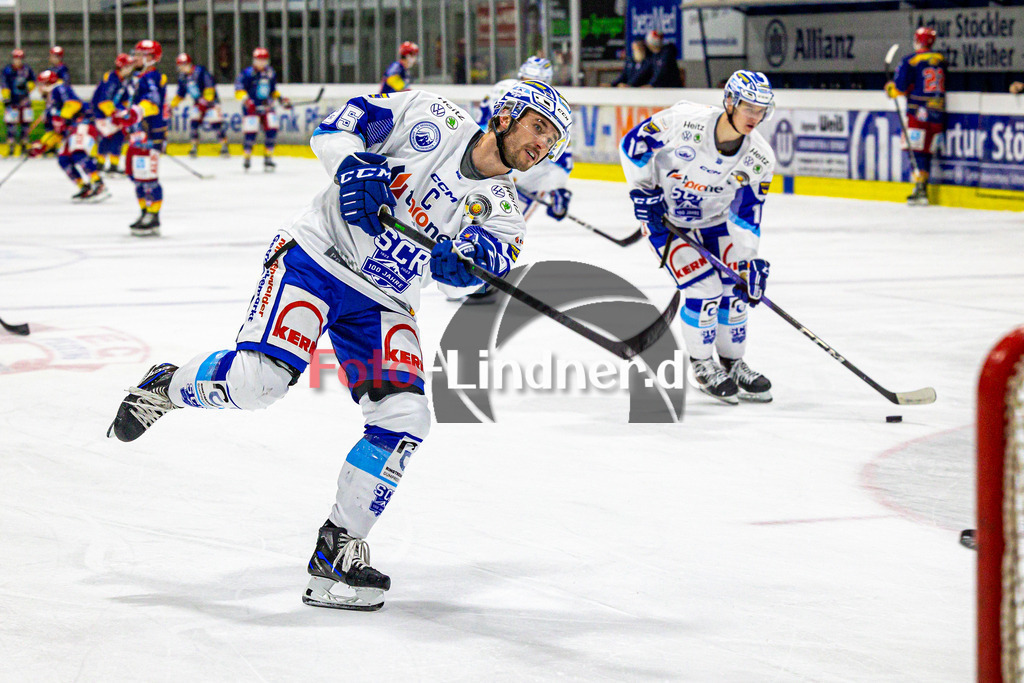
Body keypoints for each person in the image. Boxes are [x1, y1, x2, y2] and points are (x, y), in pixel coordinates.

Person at [106, 80, 572, 611]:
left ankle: (336, 552)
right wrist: (352, 166)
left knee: (406, 416)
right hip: (316, 258)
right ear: (507, 116)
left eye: (552, 140)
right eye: (538, 126)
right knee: (257, 384)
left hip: (384, 299)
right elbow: (336, 128)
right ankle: (167, 387)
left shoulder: (505, 208)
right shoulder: (430, 114)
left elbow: (470, 273)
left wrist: (465, 267)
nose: (542, 145)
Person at [619, 70, 775, 404]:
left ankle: (732, 363)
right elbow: (633, 145)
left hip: (715, 223)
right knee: (704, 289)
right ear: (729, 101)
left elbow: (747, 215)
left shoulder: (759, 158)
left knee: (735, 289)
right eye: (749, 107)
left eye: (761, 110)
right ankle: (703, 365)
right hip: (666, 221)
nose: (755, 117)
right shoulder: (686, 121)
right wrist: (643, 192)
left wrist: (749, 263)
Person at [463, 59, 572, 305]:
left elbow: (563, 159)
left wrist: (559, 190)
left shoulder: (557, 112)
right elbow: (483, 123)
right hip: (500, 160)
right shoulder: (504, 91)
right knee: (472, 214)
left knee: (504, 226)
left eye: (542, 83)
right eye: (529, 80)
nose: (535, 87)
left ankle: (483, 274)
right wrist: (497, 159)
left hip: (531, 172)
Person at [111, 39, 168, 235]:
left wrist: (135, 113)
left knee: (148, 178)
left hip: (151, 133)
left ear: (152, 58)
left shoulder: (151, 77)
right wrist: (120, 112)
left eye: (139, 54)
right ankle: (145, 211)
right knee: (135, 175)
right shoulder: (137, 77)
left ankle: (153, 215)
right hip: (138, 134)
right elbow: (127, 101)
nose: (134, 57)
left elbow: (152, 103)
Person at [885, 27, 946, 206]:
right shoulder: (941, 60)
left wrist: (891, 89)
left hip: (918, 111)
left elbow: (900, 88)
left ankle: (920, 188)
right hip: (938, 112)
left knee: (915, 150)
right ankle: (922, 187)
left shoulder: (911, 60)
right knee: (925, 151)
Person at [28, 69, 109, 203]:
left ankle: (98, 184)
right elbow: (54, 132)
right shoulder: (49, 107)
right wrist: (42, 146)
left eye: (40, 84)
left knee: (78, 153)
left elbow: (73, 103)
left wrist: (63, 117)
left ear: (46, 84)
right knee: (64, 159)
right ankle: (84, 187)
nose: (39, 88)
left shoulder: (59, 89)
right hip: (71, 132)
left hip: (83, 125)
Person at [234, 47, 290, 172]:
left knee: (272, 130)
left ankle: (268, 157)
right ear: (254, 60)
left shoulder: (270, 72)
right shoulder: (247, 73)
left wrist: (281, 99)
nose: (262, 63)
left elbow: (273, 90)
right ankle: (247, 157)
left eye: (264, 60)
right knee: (250, 133)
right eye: (259, 60)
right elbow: (238, 89)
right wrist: (246, 100)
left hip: (267, 106)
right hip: (252, 108)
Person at [172, 53, 229, 157]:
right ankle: (194, 146)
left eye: (182, 65)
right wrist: (172, 105)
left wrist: (207, 101)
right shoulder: (182, 77)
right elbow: (180, 94)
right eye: (179, 66)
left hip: (212, 102)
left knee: (216, 123)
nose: (181, 68)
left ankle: (224, 145)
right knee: (194, 123)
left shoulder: (200, 71)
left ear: (188, 64)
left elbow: (209, 86)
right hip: (198, 103)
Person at [91, 53, 135, 174]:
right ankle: (104, 164)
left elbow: (124, 99)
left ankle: (106, 164)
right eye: (129, 66)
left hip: (111, 113)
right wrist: (114, 114)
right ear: (123, 66)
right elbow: (103, 101)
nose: (131, 68)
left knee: (114, 137)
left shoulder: (122, 80)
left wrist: (124, 111)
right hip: (103, 114)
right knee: (111, 137)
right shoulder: (112, 79)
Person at [2, 49, 36, 156]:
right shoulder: (7, 70)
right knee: (11, 125)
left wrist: (28, 87)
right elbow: (4, 84)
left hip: (24, 100)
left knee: (25, 123)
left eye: (20, 58)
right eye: (16, 58)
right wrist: (6, 97)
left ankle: (24, 143)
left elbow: (33, 81)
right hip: (12, 101)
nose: (18, 61)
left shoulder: (27, 69)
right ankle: (11, 144)